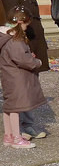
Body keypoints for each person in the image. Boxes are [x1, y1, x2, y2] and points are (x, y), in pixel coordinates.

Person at [1, 0, 50, 146]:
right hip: (23, 43)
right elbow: (15, 17)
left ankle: (27, 123)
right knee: (20, 87)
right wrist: (24, 44)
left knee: (29, 84)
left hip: (30, 40)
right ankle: (19, 128)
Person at [0, 9, 46, 150]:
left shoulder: (5, 38)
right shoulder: (14, 41)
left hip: (9, 76)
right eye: (26, 25)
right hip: (17, 78)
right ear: (20, 22)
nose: (26, 28)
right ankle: (17, 138)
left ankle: (8, 135)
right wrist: (37, 62)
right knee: (15, 108)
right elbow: (22, 59)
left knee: (9, 107)